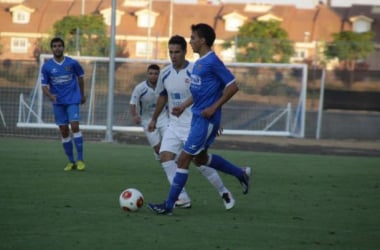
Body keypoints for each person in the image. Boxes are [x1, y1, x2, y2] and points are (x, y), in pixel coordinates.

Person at [148, 24, 251, 215]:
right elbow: (200, 91)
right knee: (201, 158)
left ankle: (169, 205)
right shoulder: (201, 62)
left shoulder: (211, 61)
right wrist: (184, 106)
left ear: (203, 40)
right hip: (195, 117)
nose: (191, 41)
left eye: (193, 38)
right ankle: (240, 173)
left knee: (184, 159)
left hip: (205, 121)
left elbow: (233, 86)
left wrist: (213, 107)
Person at [130, 64, 192, 208]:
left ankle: (175, 171)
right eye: (150, 73)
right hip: (147, 120)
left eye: (155, 73)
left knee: (167, 150)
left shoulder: (164, 84)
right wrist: (134, 116)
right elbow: (132, 103)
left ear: (159, 74)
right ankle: (171, 166)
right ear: (147, 74)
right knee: (159, 150)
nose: (153, 76)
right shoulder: (140, 88)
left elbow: (165, 99)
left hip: (165, 118)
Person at [41, 37, 86, 171]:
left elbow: (81, 77)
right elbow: (44, 86)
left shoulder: (72, 63)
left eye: (59, 45)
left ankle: (80, 160)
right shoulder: (47, 66)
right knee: (64, 130)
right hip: (58, 102)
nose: (57, 48)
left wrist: (82, 94)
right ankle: (71, 161)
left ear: (63, 47)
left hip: (72, 99)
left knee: (74, 125)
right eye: (54, 46)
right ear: (52, 49)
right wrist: (50, 96)